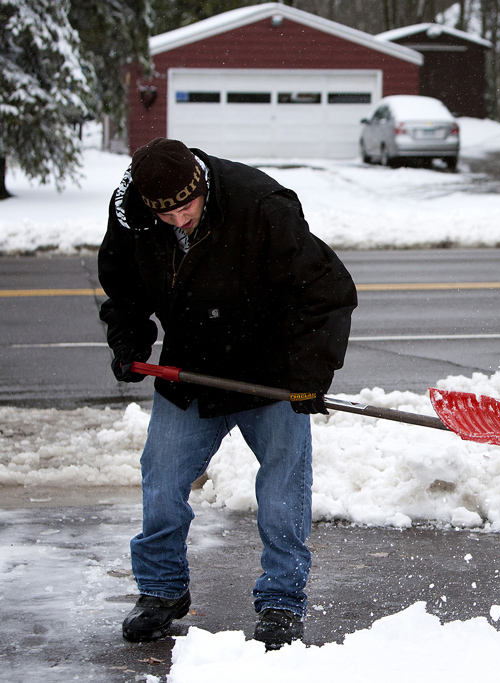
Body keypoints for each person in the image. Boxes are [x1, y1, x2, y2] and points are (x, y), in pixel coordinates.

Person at [98, 137, 358, 649]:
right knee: (163, 477)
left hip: (270, 368)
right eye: (165, 213)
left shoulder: (260, 204)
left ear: (202, 186)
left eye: (185, 207)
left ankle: (282, 601)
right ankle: (161, 591)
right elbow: (124, 287)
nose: (177, 220)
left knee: (284, 493)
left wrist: (309, 376)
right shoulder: (133, 212)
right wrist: (129, 340)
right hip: (191, 367)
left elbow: (326, 291)